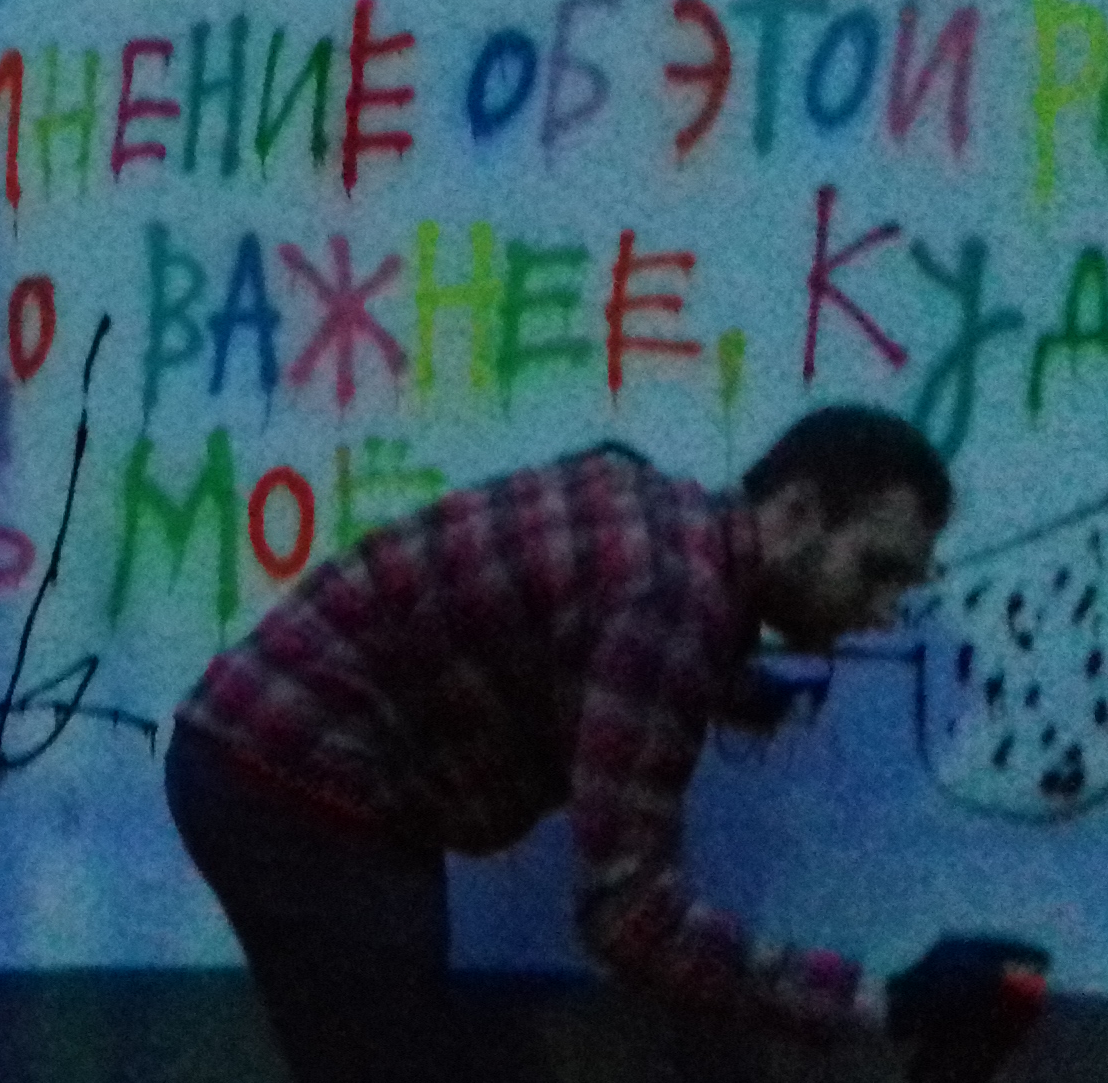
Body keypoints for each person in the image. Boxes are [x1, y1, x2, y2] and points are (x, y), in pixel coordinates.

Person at [164, 403, 952, 1081]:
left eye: (903, 586)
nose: (884, 613)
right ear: (798, 512)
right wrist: (880, 1003)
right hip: (289, 782)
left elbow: (569, 626)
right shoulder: (674, 603)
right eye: (875, 569)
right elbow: (629, 917)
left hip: (276, 758)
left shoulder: (669, 522)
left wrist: (729, 685)